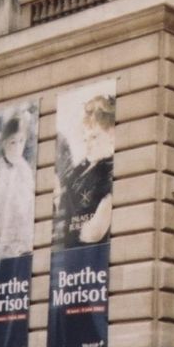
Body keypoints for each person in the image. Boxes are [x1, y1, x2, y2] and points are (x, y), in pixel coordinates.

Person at [55, 94, 115, 248]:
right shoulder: (84, 165)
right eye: (86, 139)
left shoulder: (110, 173)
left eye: (94, 137)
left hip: (87, 255)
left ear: (112, 134)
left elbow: (93, 233)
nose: (88, 145)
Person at [0, 112, 36, 262]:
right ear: (4, 143)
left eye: (21, 141)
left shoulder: (26, 171)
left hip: (20, 245)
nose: (17, 147)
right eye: (13, 142)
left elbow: (30, 209)